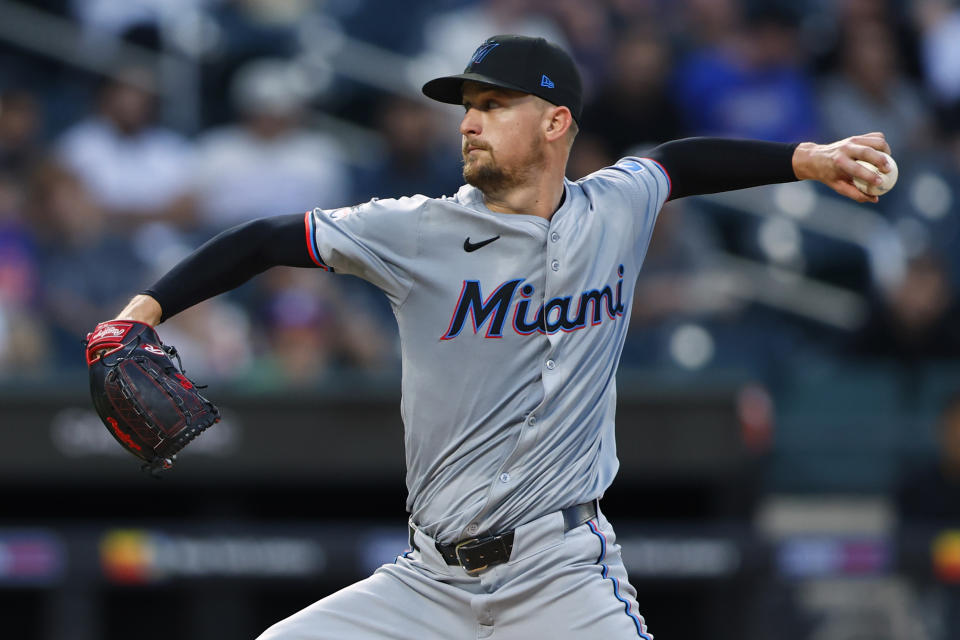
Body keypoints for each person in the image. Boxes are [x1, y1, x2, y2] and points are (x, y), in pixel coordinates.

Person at [100, 35, 894, 639]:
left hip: (563, 572)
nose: (471, 122)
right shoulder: (416, 231)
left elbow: (678, 162)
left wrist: (807, 160)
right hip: (428, 582)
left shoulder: (613, 208)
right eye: (467, 107)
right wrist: (144, 311)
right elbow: (267, 238)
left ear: (556, 123)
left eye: (495, 104)